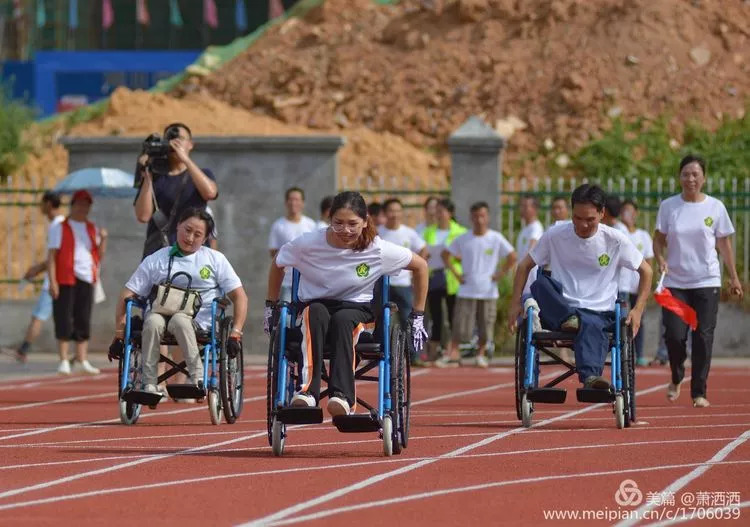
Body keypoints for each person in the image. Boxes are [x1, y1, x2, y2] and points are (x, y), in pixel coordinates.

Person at [265, 191, 429, 416]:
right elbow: (278, 264)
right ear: (329, 220)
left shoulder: (377, 249)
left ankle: (342, 397)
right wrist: (270, 306)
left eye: (353, 224)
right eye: (338, 223)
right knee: (314, 312)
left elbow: (421, 266)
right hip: (316, 306)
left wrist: (417, 315)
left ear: (365, 221)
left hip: (357, 310)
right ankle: (307, 392)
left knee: (343, 320)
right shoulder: (308, 243)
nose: (346, 230)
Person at [509, 184, 652, 390]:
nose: (583, 225)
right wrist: (515, 304)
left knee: (591, 323)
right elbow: (524, 266)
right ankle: (570, 318)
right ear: (571, 211)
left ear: (602, 213)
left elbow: (646, 271)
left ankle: (591, 378)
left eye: (590, 220)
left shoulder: (615, 240)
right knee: (540, 284)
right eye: (577, 218)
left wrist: (638, 310)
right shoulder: (555, 234)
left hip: (598, 312)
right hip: (560, 311)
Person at [112, 208, 247, 396]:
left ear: (206, 237)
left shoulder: (215, 259)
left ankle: (197, 377)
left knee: (180, 320)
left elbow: (239, 296)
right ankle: (149, 383)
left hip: (199, 319)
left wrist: (236, 333)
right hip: (160, 313)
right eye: (187, 230)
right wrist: (119, 334)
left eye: (197, 234)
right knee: (151, 322)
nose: (190, 238)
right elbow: (127, 294)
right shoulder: (158, 258)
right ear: (178, 227)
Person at [653, 155, 743, 408]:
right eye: (685, 174)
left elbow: (724, 244)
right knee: (674, 335)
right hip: (675, 283)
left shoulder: (715, 207)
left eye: (695, 174)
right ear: (679, 177)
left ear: (703, 177)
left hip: (707, 280)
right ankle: (677, 374)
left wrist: (733, 277)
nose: (690, 179)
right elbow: (658, 239)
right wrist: (660, 258)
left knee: (704, 336)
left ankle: (699, 392)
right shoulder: (669, 206)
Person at [440, 201, 516, 368]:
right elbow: (445, 254)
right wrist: (457, 274)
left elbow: (512, 256)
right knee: (461, 323)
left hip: (488, 290)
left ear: (487, 217)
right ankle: (453, 352)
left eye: (482, 216)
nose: (479, 220)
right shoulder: (464, 238)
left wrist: (500, 274)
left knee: (485, 325)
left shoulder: (496, 238)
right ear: (471, 218)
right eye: (475, 216)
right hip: (467, 288)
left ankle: (481, 354)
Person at [134, 122, 218, 259]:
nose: (175, 142)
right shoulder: (155, 177)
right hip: (161, 254)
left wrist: (185, 159)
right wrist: (147, 174)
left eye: (181, 138)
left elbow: (210, 193)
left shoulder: (202, 173)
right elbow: (143, 216)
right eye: (170, 138)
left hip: (194, 255)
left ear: (191, 144)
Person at [48, 190, 108, 375]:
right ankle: (64, 360)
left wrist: (104, 238)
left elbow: (99, 255)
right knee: (64, 318)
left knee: (83, 318)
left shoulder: (92, 228)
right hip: (65, 277)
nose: (83, 208)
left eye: (87, 204)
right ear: (72, 204)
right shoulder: (60, 226)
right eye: (80, 203)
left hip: (86, 277)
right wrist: (53, 282)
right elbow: (51, 257)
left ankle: (81, 359)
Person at [8, 191, 65, 363]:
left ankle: (23, 349)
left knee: (39, 316)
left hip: (55, 280)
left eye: (42, 203)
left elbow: (55, 256)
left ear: (48, 204)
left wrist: (38, 269)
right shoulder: (60, 224)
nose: (40, 207)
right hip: (59, 278)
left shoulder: (58, 224)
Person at [377, 198, 428, 362]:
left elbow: (423, 250)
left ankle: (414, 354)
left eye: (398, 211)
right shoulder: (378, 232)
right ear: (385, 213)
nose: (395, 214)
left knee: (409, 317)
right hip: (382, 284)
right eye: (391, 211)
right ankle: (381, 353)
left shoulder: (409, 233)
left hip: (403, 284)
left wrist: (415, 271)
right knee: (380, 318)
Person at [422, 199, 466, 362]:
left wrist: (454, 256)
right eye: (436, 211)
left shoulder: (460, 232)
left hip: (453, 277)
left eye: (441, 211)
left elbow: (467, 255)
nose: (438, 214)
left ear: (450, 213)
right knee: (436, 315)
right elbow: (423, 250)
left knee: (454, 314)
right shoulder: (429, 231)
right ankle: (434, 350)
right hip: (434, 275)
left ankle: (453, 350)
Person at [618, 199, 654, 367]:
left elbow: (648, 262)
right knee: (624, 320)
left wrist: (647, 286)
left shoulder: (643, 235)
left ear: (636, 213)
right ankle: (625, 353)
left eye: (630, 210)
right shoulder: (618, 231)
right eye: (624, 210)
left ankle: (639, 354)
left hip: (637, 286)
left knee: (639, 319)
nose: (627, 214)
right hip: (622, 285)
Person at [268, 187, 317, 301]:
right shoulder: (278, 225)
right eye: (291, 199)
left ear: (302, 203)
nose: (293, 203)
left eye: (297, 199)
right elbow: (273, 252)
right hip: (286, 281)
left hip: (307, 281)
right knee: (287, 316)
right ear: (286, 202)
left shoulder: (311, 225)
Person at [516, 194, 544, 295]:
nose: (521, 209)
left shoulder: (535, 228)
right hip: (524, 281)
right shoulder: (526, 229)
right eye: (521, 206)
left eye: (525, 206)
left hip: (530, 283)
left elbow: (531, 252)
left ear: (535, 209)